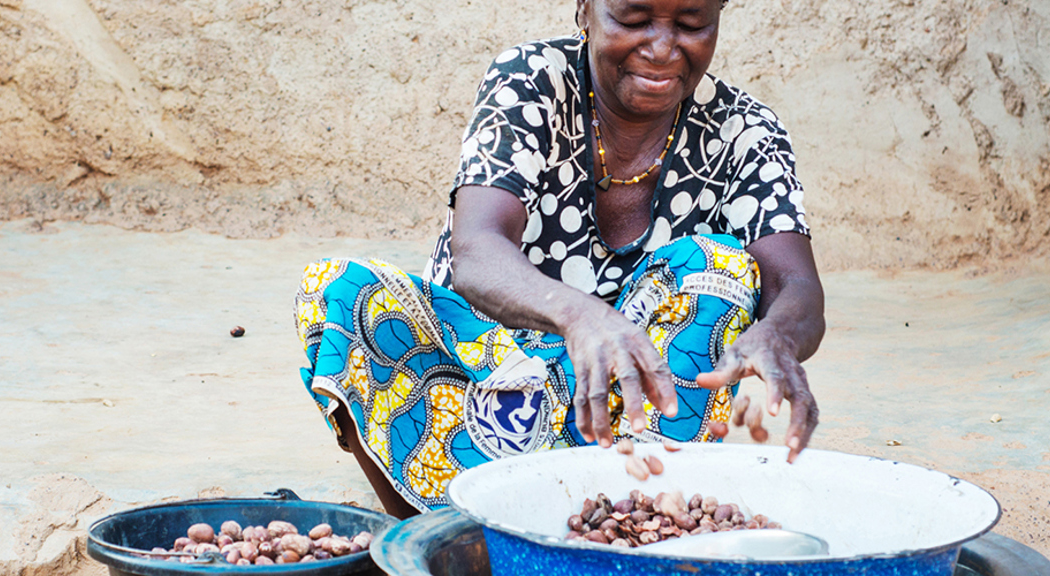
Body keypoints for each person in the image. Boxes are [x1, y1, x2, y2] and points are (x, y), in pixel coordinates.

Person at [294, 0, 825, 518]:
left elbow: (795, 284)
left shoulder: (745, 130)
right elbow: (476, 251)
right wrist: (582, 317)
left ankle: (640, 518)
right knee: (338, 292)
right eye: (634, 19)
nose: (662, 48)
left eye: (691, 24)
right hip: (482, 387)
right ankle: (441, 529)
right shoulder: (531, 81)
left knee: (720, 266)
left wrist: (776, 334)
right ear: (584, 10)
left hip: (633, 413)